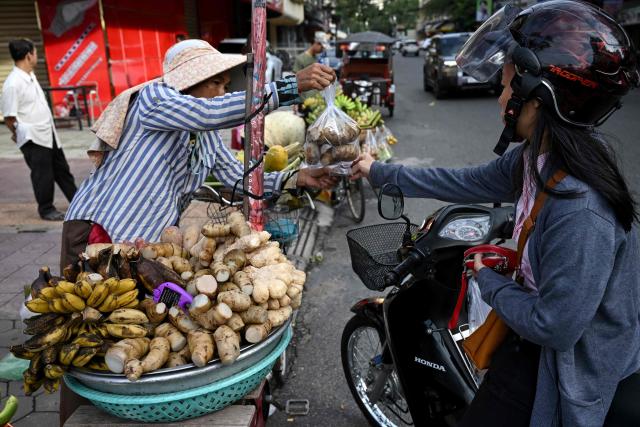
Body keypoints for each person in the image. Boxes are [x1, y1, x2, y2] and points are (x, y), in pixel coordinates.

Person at [352, 2, 640, 426]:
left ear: (539, 101)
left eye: (507, 86)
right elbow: (466, 181)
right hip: (536, 339)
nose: (500, 96)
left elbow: (555, 327)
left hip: (570, 372)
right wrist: (379, 172)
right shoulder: (539, 158)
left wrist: (487, 279)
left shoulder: (582, 210)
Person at [1, 38, 77, 220]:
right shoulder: (13, 83)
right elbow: (10, 117)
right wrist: (18, 135)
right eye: (35, 53)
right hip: (32, 136)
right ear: (28, 56)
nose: (37, 56)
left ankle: (78, 202)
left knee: (62, 170)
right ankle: (46, 209)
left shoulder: (30, 75)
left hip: (47, 132)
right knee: (43, 175)